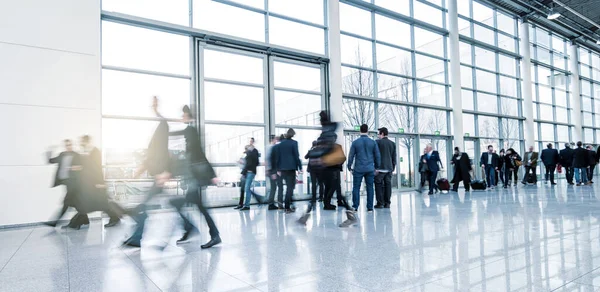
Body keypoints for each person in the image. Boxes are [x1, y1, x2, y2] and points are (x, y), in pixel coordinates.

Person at [168, 105, 221, 248]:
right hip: (194, 176)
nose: (182, 117)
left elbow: (200, 154)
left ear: (188, 116)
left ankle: (204, 232)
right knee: (198, 206)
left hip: (196, 177)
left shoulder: (190, 130)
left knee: (187, 205)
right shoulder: (190, 132)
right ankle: (195, 230)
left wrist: (212, 174)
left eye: (184, 115)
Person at [304, 111, 357, 227]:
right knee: (330, 188)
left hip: (326, 166)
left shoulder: (327, 132)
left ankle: (306, 215)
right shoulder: (327, 131)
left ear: (322, 120)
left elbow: (327, 146)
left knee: (324, 189)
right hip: (325, 167)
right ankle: (349, 214)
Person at [69, 135, 121, 229]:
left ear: (87, 142)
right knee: (92, 203)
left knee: (102, 204)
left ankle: (115, 218)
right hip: (90, 183)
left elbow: (97, 168)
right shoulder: (87, 152)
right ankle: (79, 221)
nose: (81, 144)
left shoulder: (95, 151)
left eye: (82, 142)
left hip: (96, 183)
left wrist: (101, 182)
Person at [44, 139, 82, 227]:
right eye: (67, 145)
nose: (68, 146)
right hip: (66, 182)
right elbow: (50, 161)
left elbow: (81, 167)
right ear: (65, 146)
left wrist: (74, 168)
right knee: (75, 203)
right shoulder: (62, 154)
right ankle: (84, 219)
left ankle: (55, 222)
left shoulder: (77, 155)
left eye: (70, 145)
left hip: (74, 183)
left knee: (66, 202)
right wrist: (49, 151)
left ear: (72, 145)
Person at [347, 124, 381, 212]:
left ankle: (355, 206)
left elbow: (351, 155)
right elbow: (377, 156)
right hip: (370, 168)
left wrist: (349, 166)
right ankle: (370, 207)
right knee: (370, 187)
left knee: (356, 187)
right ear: (367, 131)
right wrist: (377, 167)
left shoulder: (355, 143)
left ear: (359, 131)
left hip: (358, 169)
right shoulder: (373, 142)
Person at [275, 128, 302, 213]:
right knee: (290, 188)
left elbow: (277, 158)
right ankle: (287, 207)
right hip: (291, 168)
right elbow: (296, 156)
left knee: (283, 188)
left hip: (282, 169)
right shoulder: (294, 143)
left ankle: (286, 206)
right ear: (293, 135)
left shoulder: (279, 144)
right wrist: (299, 167)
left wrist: (277, 169)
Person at [374, 127, 396, 209]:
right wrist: (392, 167)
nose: (378, 136)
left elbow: (375, 155)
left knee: (378, 185)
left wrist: (375, 167)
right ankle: (387, 203)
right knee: (388, 185)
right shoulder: (392, 144)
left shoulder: (377, 142)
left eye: (379, 134)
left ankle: (380, 203)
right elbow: (394, 157)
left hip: (380, 168)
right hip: (389, 168)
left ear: (382, 134)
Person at [240, 142, 264, 211]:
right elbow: (255, 163)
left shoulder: (251, 154)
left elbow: (248, 164)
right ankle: (258, 199)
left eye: (246, 149)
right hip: (250, 172)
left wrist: (243, 173)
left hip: (250, 172)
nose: (246, 151)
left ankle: (248, 205)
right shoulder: (253, 153)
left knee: (247, 188)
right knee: (247, 188)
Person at [266, 135, 283, 210]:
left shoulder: (268, 147)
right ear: (273, 139)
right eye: (276, 139)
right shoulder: (272, 147)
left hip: (271, 170)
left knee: (274, 187)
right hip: (274, 171)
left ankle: (272, 203)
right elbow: (271, 160)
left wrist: (267, 170)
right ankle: (275, 204)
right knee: (277, 187)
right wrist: (273, 172)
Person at [305, 141, 324, 205]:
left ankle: (313, 199)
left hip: (312, 170)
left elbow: (306, 157)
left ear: (312, 145)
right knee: (321, 184)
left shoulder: (311, 151)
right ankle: (321, 197)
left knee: (313, 184)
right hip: (320, 170)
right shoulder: (321, 151)